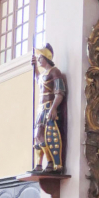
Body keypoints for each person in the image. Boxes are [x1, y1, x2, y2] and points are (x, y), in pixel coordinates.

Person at [31, 44, 66, 173]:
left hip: (48, 108)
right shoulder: (44, 73)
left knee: (48, 136)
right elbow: (38, 80)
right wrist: (34, 67)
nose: (39, 60)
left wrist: (53, 108)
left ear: (47, 57)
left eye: (40, 57)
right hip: (41, 109)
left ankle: (51, 163)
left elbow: (60, 92)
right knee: (38, 136)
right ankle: (38, 164)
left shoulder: (54, 72)